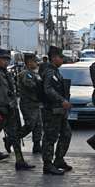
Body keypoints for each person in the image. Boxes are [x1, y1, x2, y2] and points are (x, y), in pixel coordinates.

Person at [42, 46, 72, 175]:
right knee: (50, 137)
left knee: (66, 134)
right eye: (61, 58)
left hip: (59, 111)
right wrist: (62, 100)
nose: (62, 60)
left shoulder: (55, 71)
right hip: (51, 110)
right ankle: (48, 165)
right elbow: (48, 89)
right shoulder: (49, 71)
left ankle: (59, 159)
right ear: (54, 58)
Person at [17, 53, 43, 154]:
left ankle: (36, 145)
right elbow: (29, 84)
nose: (37, 63)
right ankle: (12, 139)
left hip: (35, 103)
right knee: (30, 125)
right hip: (28, 104)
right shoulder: (25, 73)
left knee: (38, 125)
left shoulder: (32, 73)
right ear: (29, 62)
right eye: (35, 61)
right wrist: (39, 85)